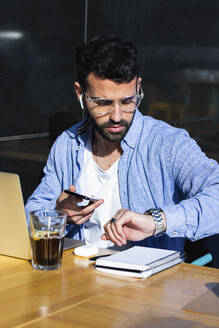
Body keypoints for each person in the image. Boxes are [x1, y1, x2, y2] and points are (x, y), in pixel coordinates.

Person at [25, 35, 219, 252]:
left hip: (149, 282)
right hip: (77, 277)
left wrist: (158, 221)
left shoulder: (167, 143)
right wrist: (59, 213)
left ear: (138, 87)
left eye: (127, 101)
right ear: (80, 94)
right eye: (103, 103)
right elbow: (30, 216)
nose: (117, 116)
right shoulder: (68, 145)